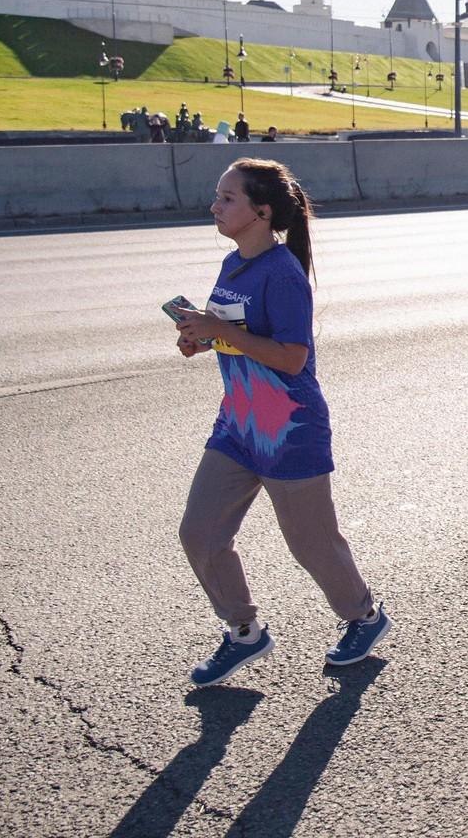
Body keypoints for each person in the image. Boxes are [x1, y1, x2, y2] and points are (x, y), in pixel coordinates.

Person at [170, 159, 389, 687]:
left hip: (290, 430)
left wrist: (220, 330)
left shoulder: (284, 274)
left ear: (261, 212)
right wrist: (200, 337)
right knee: (199, 533)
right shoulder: (232, 265)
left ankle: (364, 616)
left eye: (227, 198)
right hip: (238, 426)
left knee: (311, 544)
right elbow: (233, 332)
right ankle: (244, 632)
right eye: (217, 195)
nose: (214, 206)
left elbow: (292, 357)